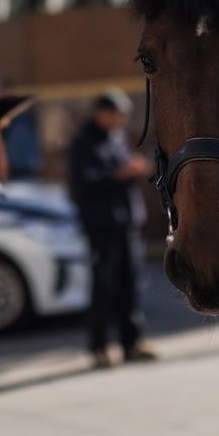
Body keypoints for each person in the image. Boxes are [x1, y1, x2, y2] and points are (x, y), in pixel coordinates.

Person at [67, 89, 157, 368]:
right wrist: (118, 174)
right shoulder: (82, 143)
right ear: (101, 113)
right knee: (103, 286)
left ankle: (132, 342)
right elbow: (81, 185)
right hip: (101, 224)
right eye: (116, 115)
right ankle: (100, 346)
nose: (120, 120)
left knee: (130, 283)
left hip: (126, 221)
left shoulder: (116, 137)